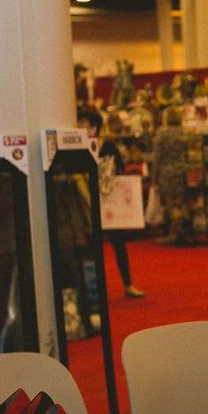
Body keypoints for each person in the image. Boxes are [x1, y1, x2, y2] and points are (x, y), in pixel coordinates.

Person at [79, 108, 145, 298]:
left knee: (118, 243)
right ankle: (94, 289)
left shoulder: (107, 147)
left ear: (93, 127)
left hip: (110, 203)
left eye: (83, 122)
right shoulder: (78, 148)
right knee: (92, 248)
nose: (79, 126)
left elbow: (121, 170)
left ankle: (128, 284)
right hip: (88, 202)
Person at [151, 106, 191, 242]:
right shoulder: (184, 132)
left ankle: (171, 232)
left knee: (168, 203)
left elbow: (157, 156)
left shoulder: (162, 133)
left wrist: (154, 176)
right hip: (182, 170)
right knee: (179, 202)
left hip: (166, 172)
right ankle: (179, 229)